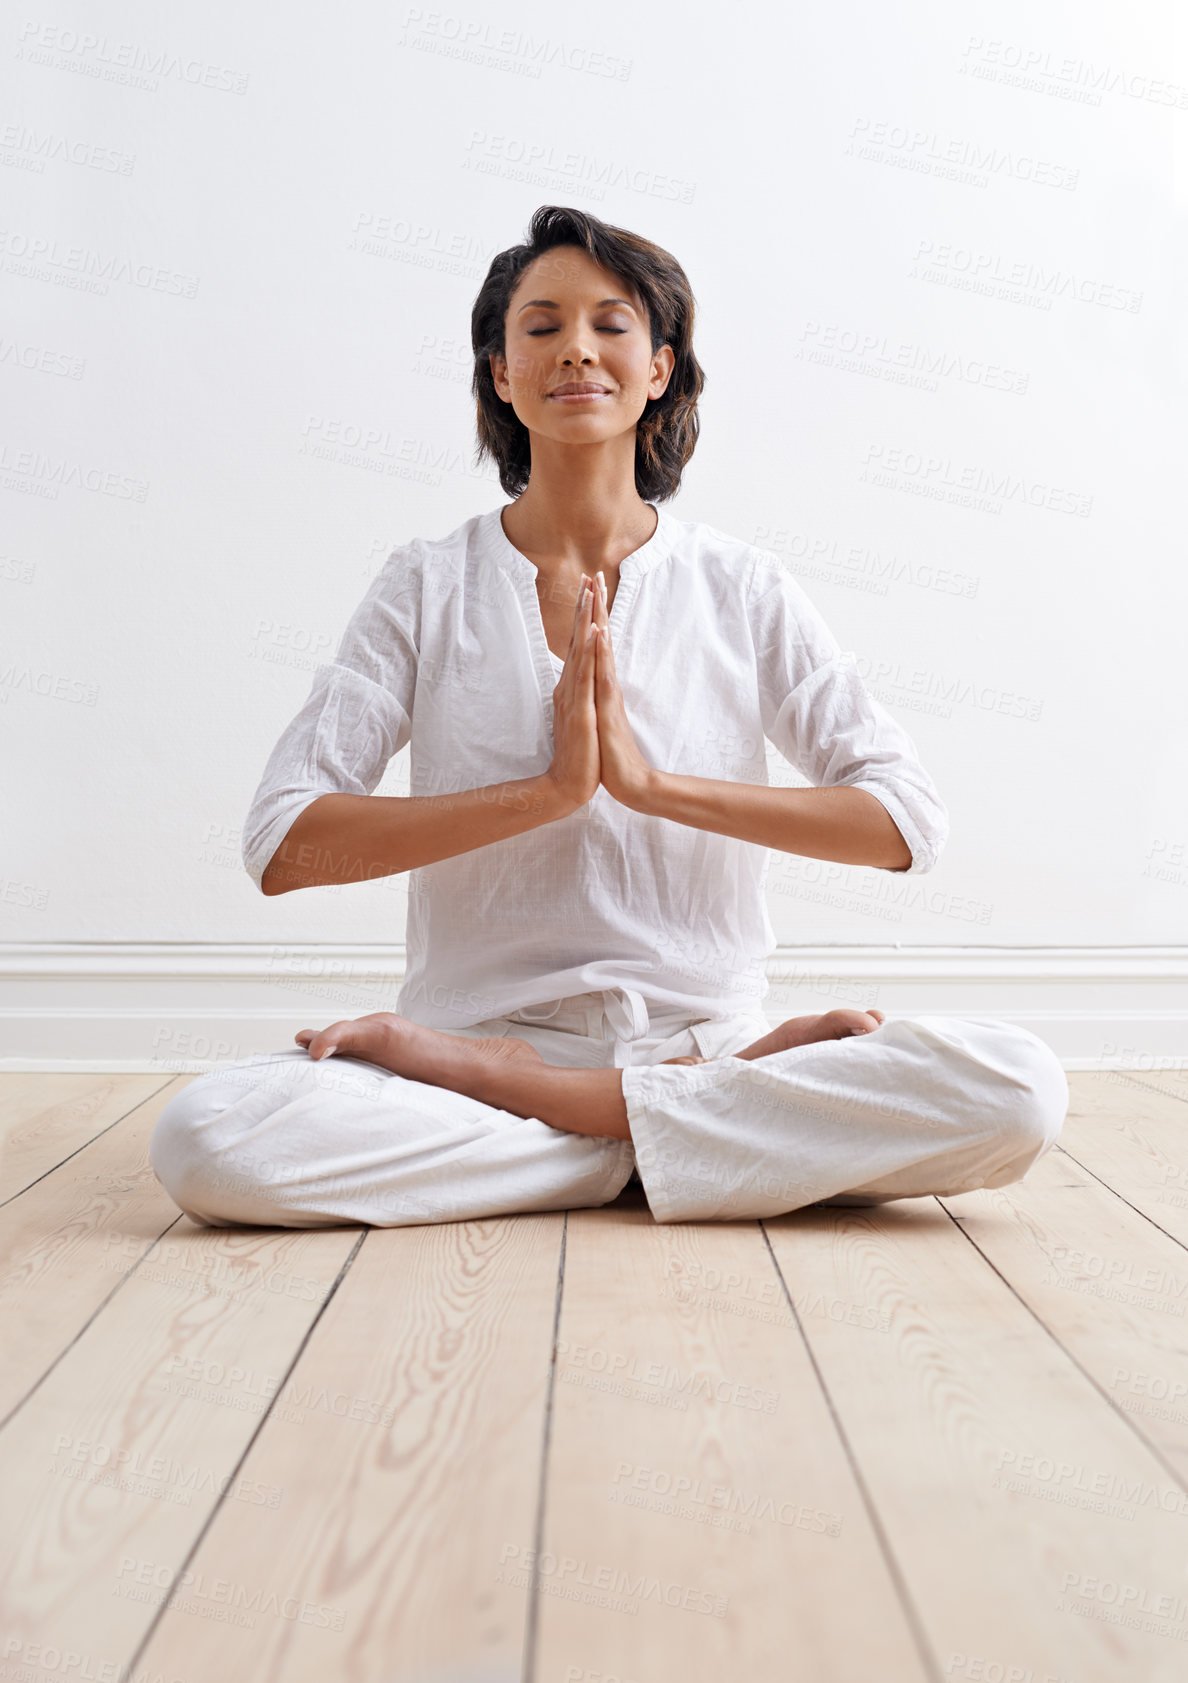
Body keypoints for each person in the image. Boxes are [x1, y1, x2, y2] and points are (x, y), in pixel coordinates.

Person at [149, 205, 1068, 1231]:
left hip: (687, 1037)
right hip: (488, 1040)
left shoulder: (741, 587)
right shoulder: (426, 584)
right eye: (539, 328)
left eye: (611, 324)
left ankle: (557, 1125)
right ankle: (668, 1137)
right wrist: (545, 796)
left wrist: (650, 787)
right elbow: (283, 846)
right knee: (208, 1139)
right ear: (501, 374)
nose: (575, 348)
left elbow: (906, 823)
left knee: (1018, 1086)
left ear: (661, 368)